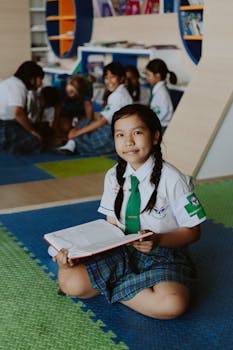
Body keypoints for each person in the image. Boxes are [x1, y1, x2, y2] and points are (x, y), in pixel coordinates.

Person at [52, 104, 206, 319]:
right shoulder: (113, 176)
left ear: (154, 137)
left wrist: (158, 240)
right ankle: (126, 285)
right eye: (120, 135)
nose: (128, 142)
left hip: (162, 253)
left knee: (172, 305)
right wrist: (76, 256)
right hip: (119, 248)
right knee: (70, 284)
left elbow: (193, 232)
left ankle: (113, 285)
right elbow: (111, 225)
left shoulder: (174, 179)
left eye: (137, 132)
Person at [56, 62, 133, 155]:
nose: (109, 81)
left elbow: (101, 122)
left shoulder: (118, 95)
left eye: (112, 77)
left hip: (113, 134)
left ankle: (72, 144)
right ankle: (71, 144)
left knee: (85, 131)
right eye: (106, 78)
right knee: (85, 123)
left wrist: (77, 133)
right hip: (113, 130)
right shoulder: (120, 92)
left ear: (121, 78)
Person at [0, 61, 45, 154]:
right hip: (4, 124)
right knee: (37, 142)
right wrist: (32, 131)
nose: (41, 84)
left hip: (8, 123)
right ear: (32, 79)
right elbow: (18, 112)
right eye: (40, 79)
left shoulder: (11, 82)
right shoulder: (18, 86)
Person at [145, 58, 177, 134]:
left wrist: (151, 123)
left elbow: (164, 111)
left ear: (157, 75)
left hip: (163, 127)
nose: (147, 78)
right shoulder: (158, 90)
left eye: (148, 75)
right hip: (159, 124)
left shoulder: (162, 92)